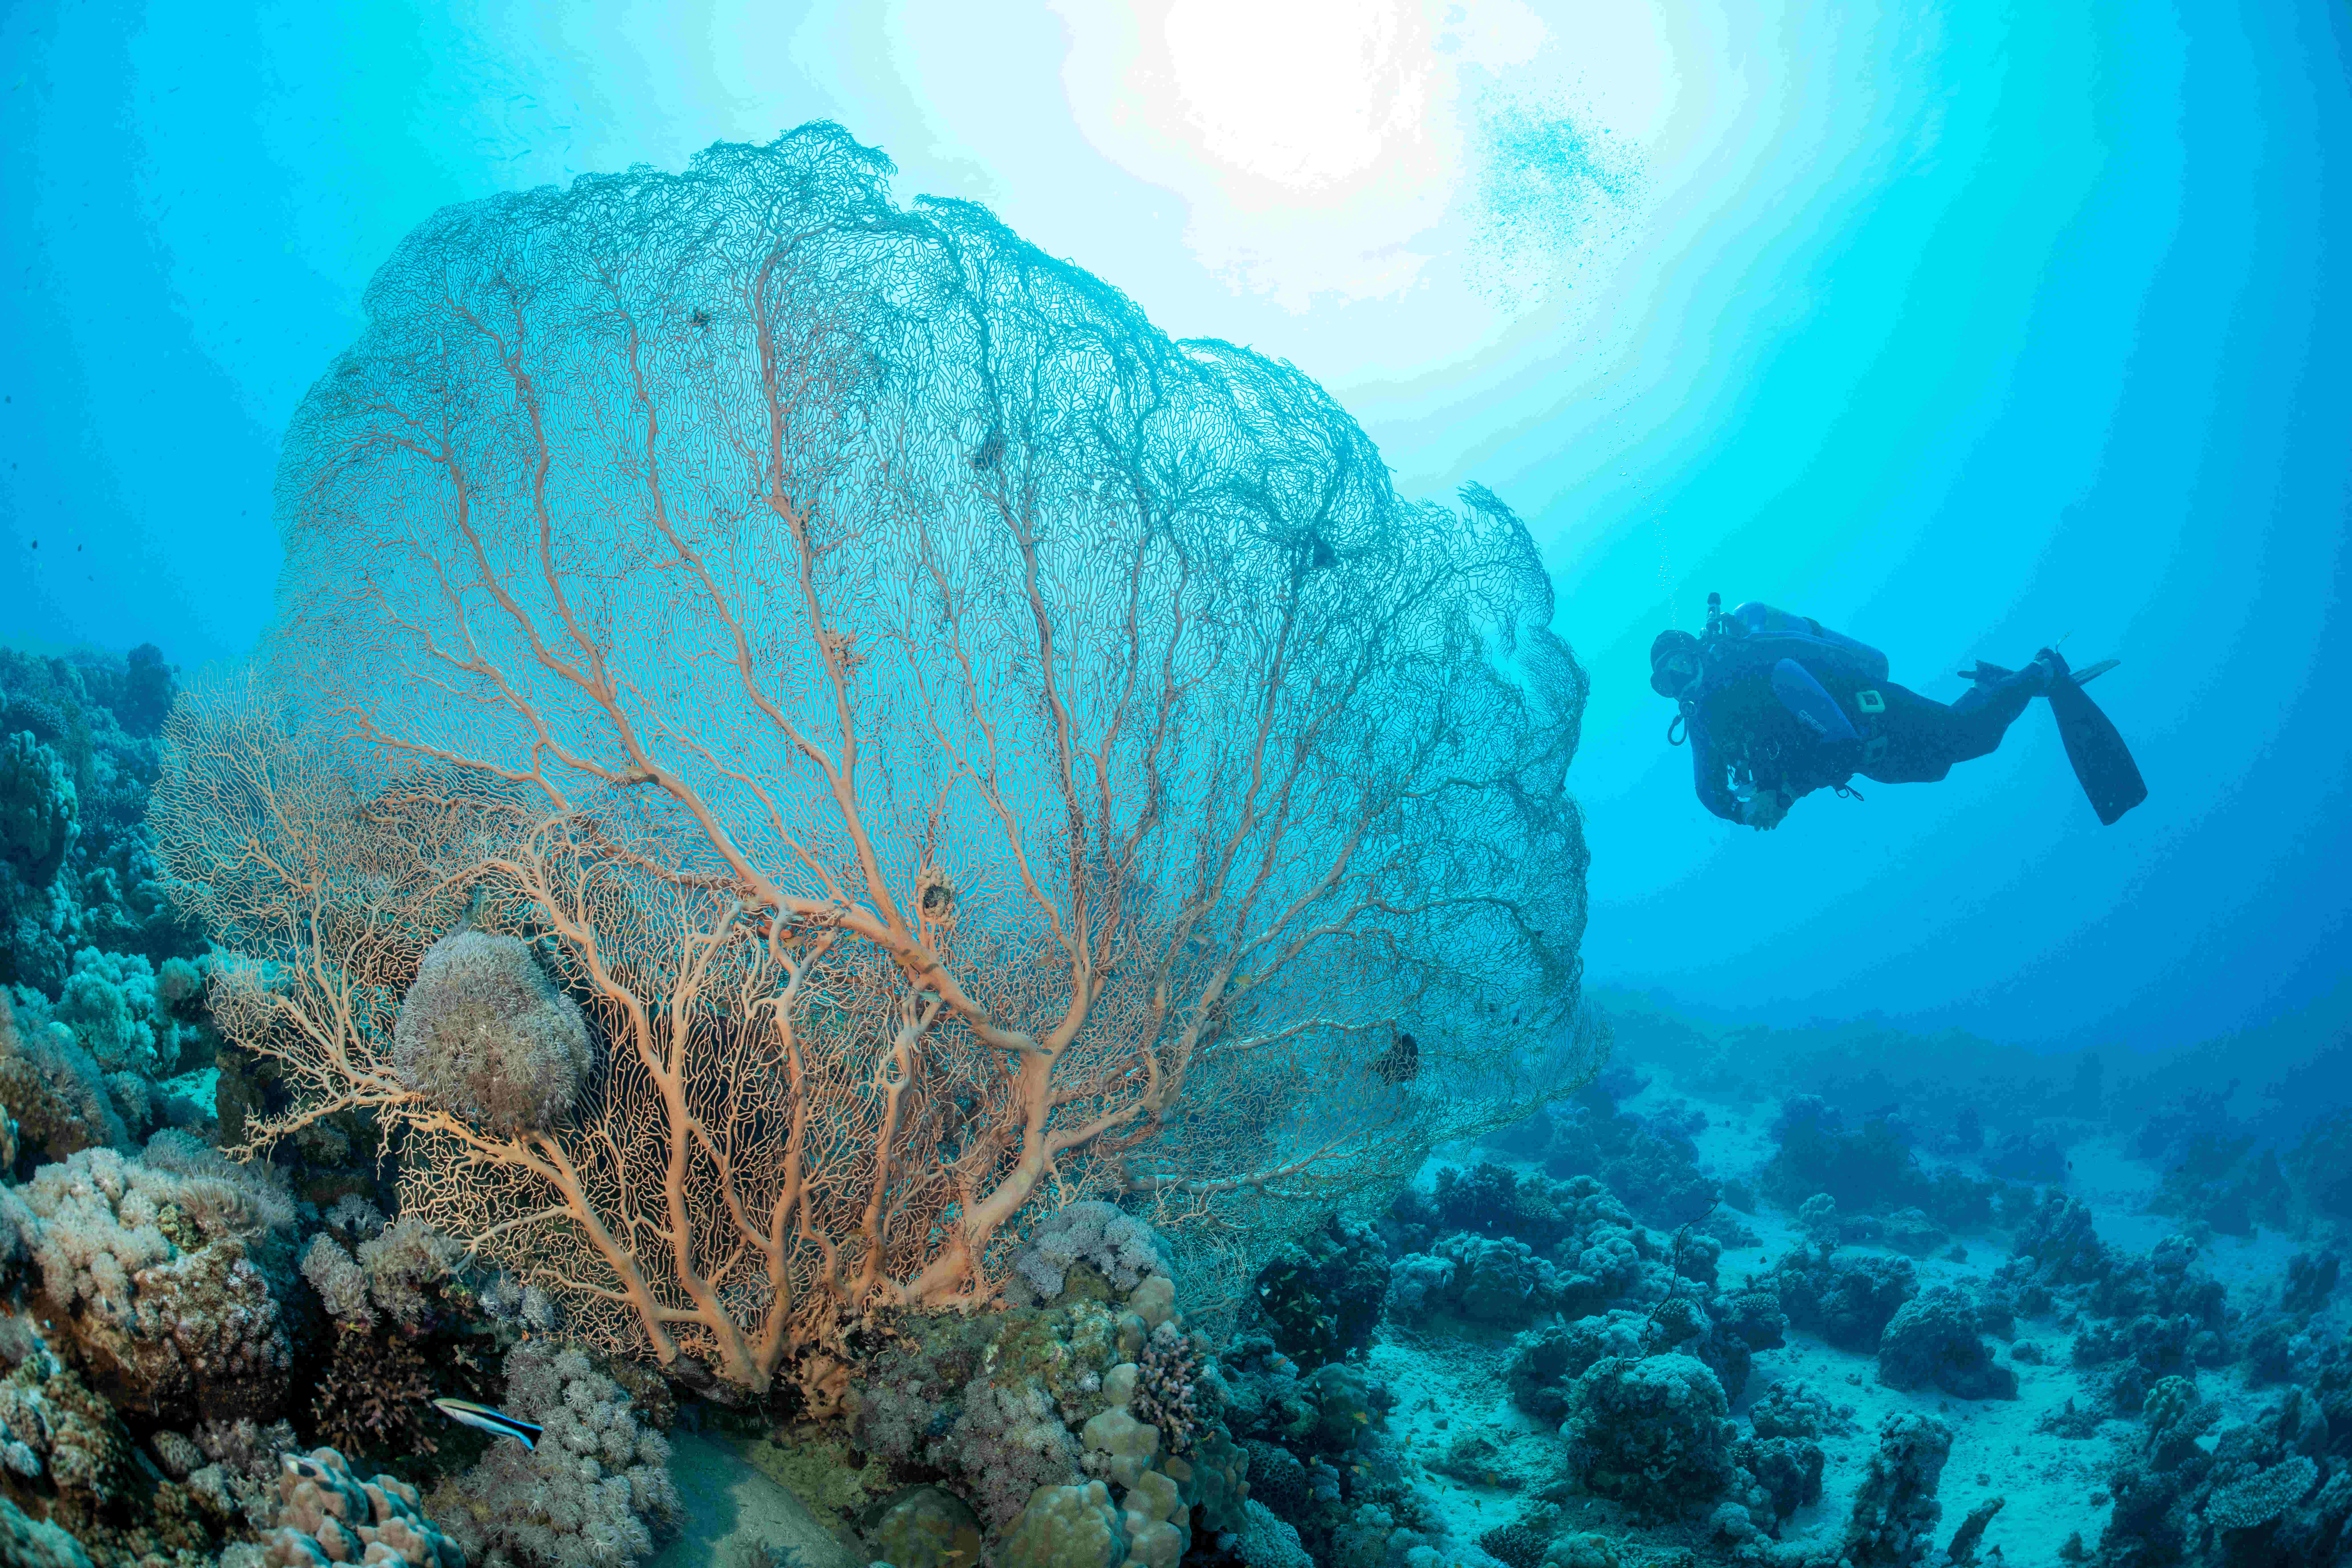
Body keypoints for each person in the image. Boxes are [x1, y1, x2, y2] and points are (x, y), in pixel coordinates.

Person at [1650, 597, 2145, 829]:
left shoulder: (1757, 667)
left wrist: (1783, 794)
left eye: (1678, 667)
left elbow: (1839, 740)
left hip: (1870, 712)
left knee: (1970, 737)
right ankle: (2000, 684)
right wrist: (1743, 811)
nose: (1677, 684)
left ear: (1696, 652)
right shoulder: (1703, 720)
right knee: (1937, 768)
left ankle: (2042, 670)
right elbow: (1707, 790)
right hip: (1857, 757)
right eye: (1664, 683)